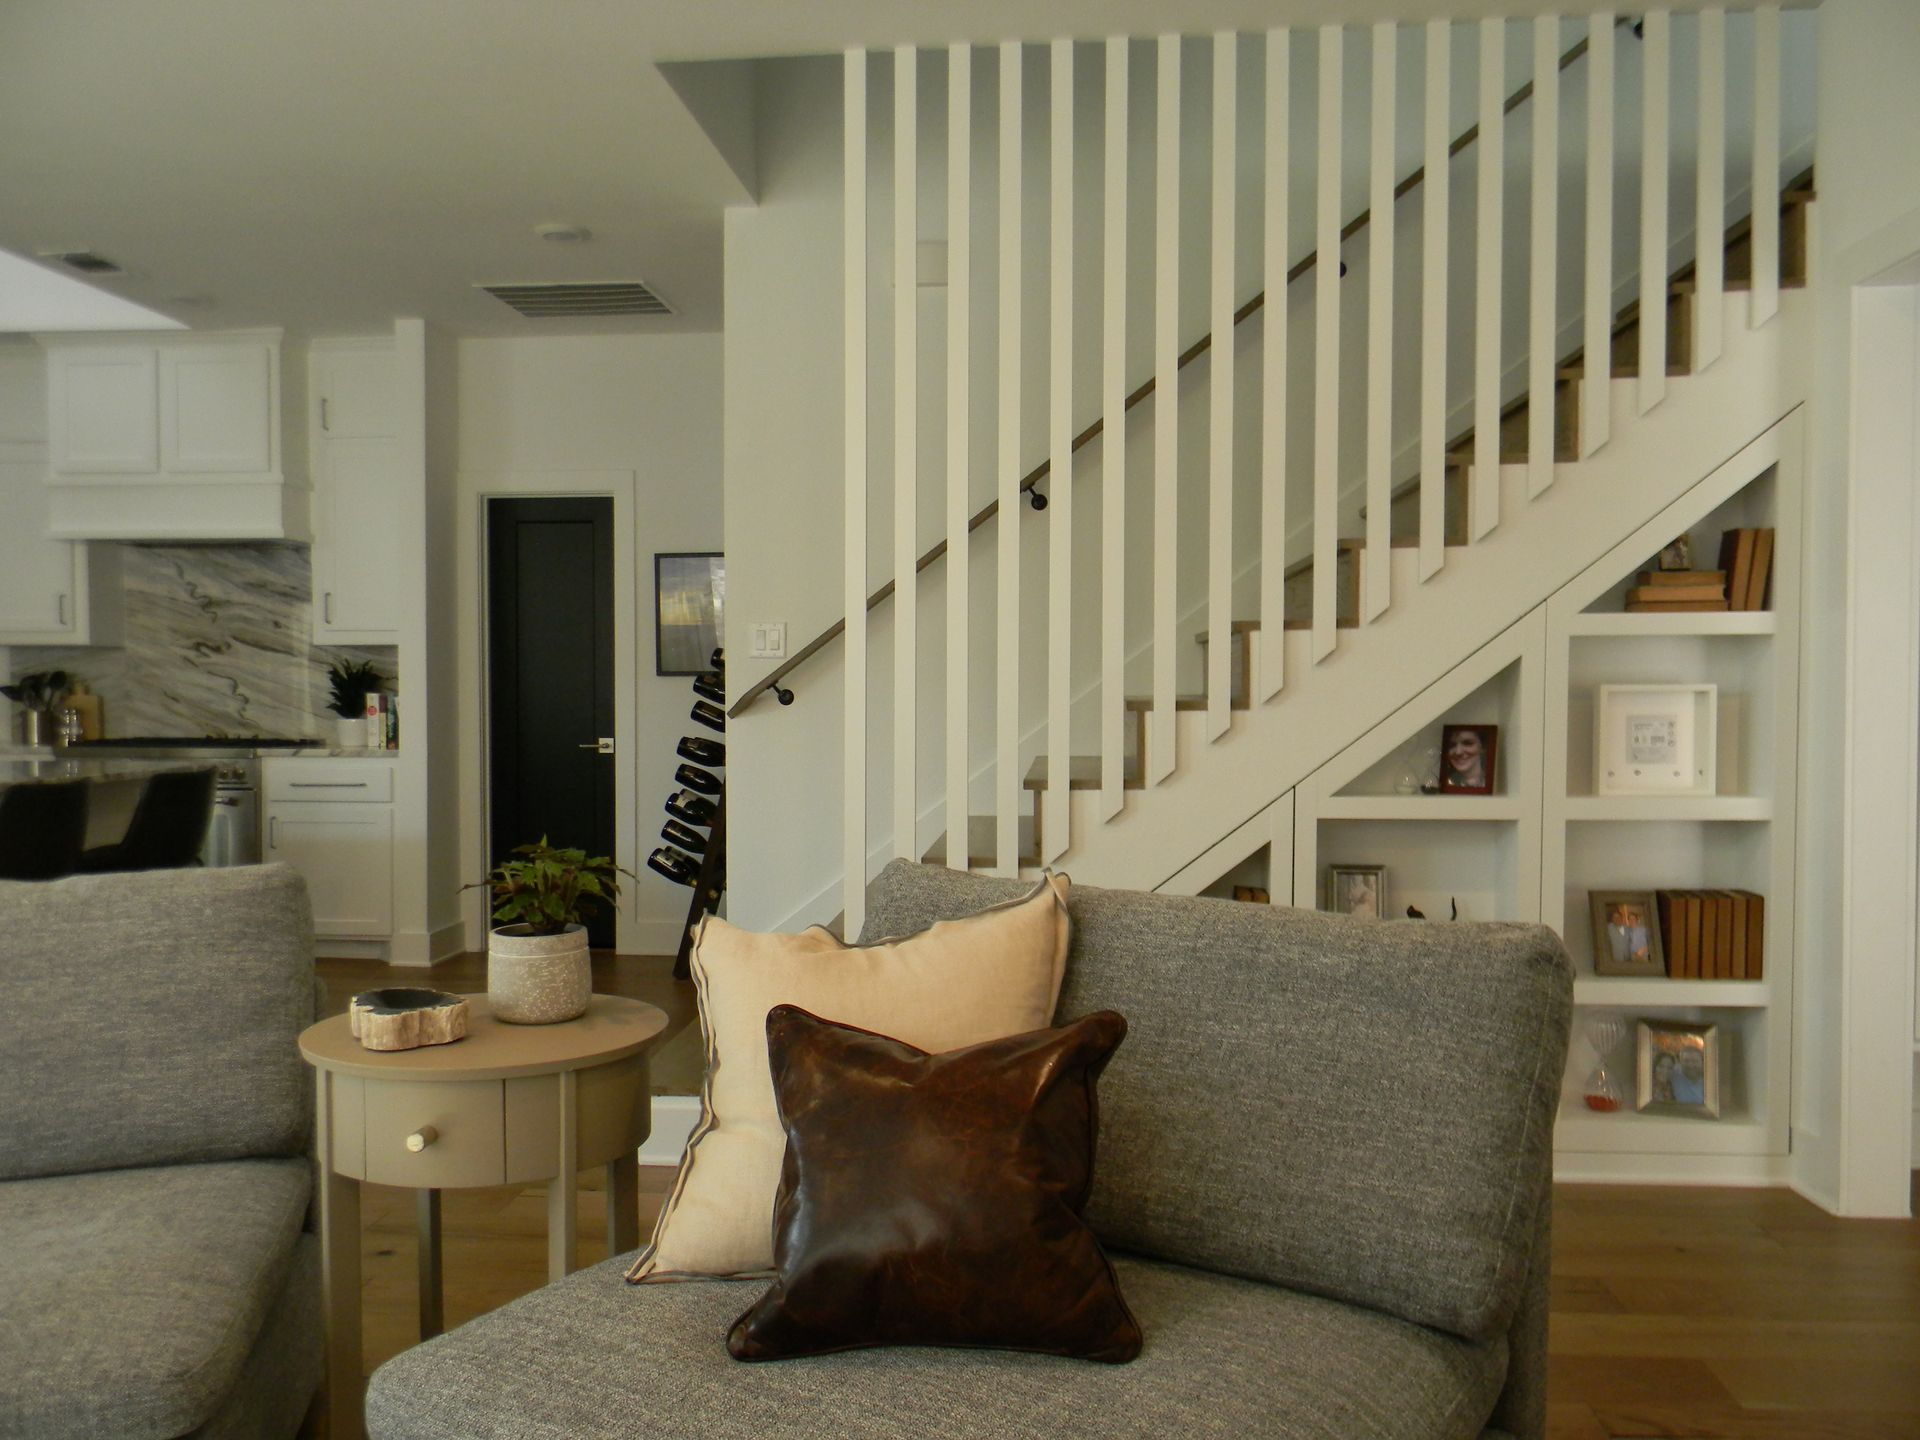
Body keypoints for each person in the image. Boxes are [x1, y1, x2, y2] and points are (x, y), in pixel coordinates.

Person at [1442, 727, 1488, 792]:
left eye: (1467, 743)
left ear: (1482, 747)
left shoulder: (1495, 780)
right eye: (1451, 745)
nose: (1458, 752)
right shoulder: (1444, 783)